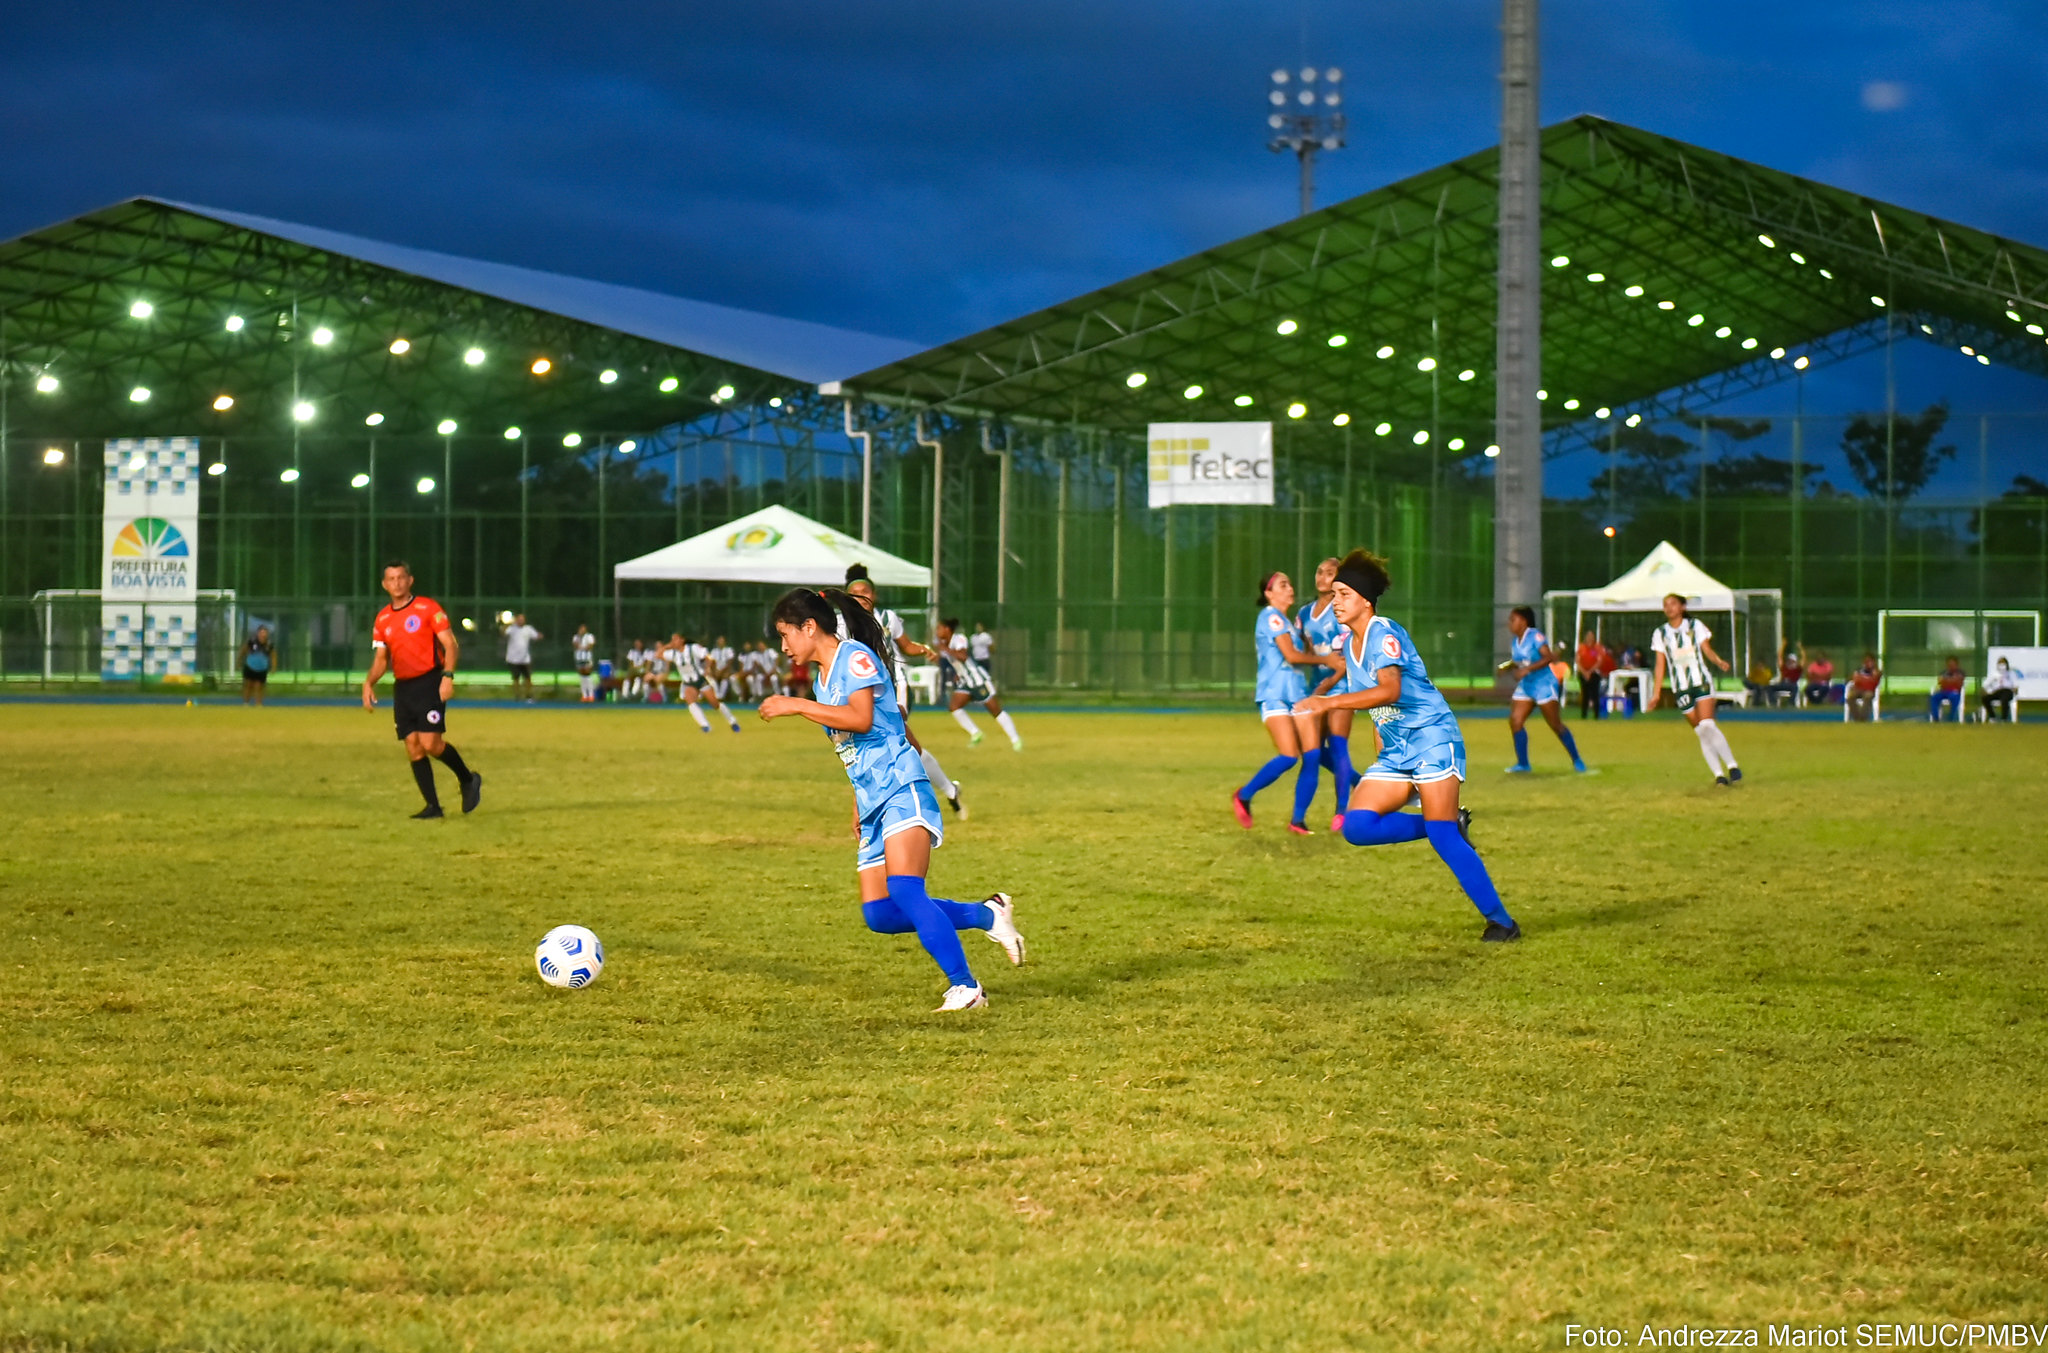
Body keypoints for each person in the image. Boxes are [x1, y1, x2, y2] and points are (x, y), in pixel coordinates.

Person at [758, 587, 1024, 1012]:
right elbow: (855, 744)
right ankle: (987, 915)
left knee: (905, 888)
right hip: (872, 801)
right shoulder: (823, 679)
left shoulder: (854, 658)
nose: (784, 645)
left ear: (810, 627)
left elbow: (862, 719)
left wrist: (796, 705)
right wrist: (855, 800)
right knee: (880, 915)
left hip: (902, 786)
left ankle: (967, 987)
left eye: (786, 633)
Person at [1294, 550, 1521, 942]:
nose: (1336, 602)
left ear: (1365, 599)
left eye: (1344, 593)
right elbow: (1374, 703)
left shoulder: (1384, 631)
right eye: (1334, 594)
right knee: (1357, 826)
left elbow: (1390, 689)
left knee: (1444, 839)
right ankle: (1448, 824)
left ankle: (1502, 923)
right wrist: (1381, 738)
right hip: (1398, 750)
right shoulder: (1350, 645)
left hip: (1432, 738)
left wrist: (1326, 703)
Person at [360, 560, 481, 819]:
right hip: (403, 687)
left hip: (429, 681)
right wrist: (369, 682)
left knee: (430, 743)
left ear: (410, 580)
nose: (396, 583)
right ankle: (433, 807)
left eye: (401, 578)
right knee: (413, 746)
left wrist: (447, 676)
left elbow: (450, 644)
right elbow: (382, 659)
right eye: (391, 579)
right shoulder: (382, 619)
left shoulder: (428, 608)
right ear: (384, 585)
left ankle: (467, 779)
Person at [845, 564, 968, 817]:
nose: (861, 597)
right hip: (866, 694)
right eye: (855, 593)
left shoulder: (888, 618)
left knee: (897, 739)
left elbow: (906, 646)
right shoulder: (840, 624)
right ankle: (949, 790)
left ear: (874, 595)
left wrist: (922, 649)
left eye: (865, 591)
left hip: (896, 687)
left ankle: (893, 803)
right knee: (903, 746)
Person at [1230, 570, 1330, 835]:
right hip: (1274, 695)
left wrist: (1310, 642)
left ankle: (1297, 821)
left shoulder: (1288, 624)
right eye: (1282, 585)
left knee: (1312, 756)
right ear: (1269, 593)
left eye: (1290, 584)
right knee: (1288, 756)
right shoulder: (1270, 617)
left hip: (1298, 695)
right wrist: (1325, 660)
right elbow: (1291, 657)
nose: (1290, 588)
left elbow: (1302, 651)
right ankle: (1244, 795)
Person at [1650, 593, 1740, 786]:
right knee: (1700, 731)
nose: (1669, 608)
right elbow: (1660, 665)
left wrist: (1718, 661)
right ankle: (1719, 775)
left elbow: (1706, 649)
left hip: (1701, 682)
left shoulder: (1695, 626)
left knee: (1707, 725)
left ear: (1682, 607)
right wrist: (1656, 693)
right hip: (1680, 688)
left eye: (1673, 604)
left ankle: (1732, 765)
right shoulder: (1660, 633)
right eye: (1666, 605)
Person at [1296, 557, 1357, 833]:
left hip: (1341, 687)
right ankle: (1360, 781)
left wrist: (1327, 685)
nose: (1322, 576)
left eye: (1330, 573)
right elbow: (1305, 651)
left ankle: (1342, 812)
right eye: (1319, 571)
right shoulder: (1304, 613)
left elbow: (1345, 659)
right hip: (1316, 688)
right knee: (1311, 749)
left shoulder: (1342, 609)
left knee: (1338, 745)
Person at [1504, 607, 1588, 774]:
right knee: (1515, 721)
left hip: (1543, 684)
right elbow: (1521, 661)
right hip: (1527, 685)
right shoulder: (1515, 641)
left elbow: (1548, 657)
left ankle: (1577, 759)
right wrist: (1508, 667)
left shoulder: (1535, 636)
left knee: (1555, 724)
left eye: (1513, 619)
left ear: (1523, 621)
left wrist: (1526, 670)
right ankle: (1523, 764)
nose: (1510, 623)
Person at [935, 617, 1022, 749]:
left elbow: (963, 656)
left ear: (947, 629)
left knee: (995, 710)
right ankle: (976, 733)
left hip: (977, 679)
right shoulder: (943, 642)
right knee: (954, 706)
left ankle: (1016, 740)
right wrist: (957, 673)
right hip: (965, 680)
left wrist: (945, 649)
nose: (937, 631)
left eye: (939, 628)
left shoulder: (959, 638)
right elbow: (952, 660)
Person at [504, 613, 542, 704]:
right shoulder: (512, 629)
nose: (521, 621)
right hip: (513, 659)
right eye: (519, 619)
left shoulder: (528, 629)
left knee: (528, 678)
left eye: (522, 619)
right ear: (516, 620)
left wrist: (539, 636)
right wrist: (507, 624)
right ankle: (517, 696)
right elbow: (504, 633)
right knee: (516, 678)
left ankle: (529, 695)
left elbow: (537, 636)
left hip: (525, 659)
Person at [1575, 630, 1607, 720]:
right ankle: (1584, 715)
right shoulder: (1581, 647)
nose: (1590, 638)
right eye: (1588, 636)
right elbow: (1578, 661)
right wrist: (1584, 672)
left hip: (1594, 673)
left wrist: (1590, 671)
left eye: (1591, 636)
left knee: (1595, 695)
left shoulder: (1597, 648)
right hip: (1583, 673)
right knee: (1585, 694)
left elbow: (1599, 661)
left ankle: (1596, 715)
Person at [239, 625, 274, 706]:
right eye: (261, 632)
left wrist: (273, 667)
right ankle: (246, 703)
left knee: (259, 686)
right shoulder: (252, 642)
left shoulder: (269, 644)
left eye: (265, 633)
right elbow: (243, 650)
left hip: (262, 669)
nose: (263, 635)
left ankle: (258, 703)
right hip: (250, 666)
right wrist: (239, 661)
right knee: (248, 685)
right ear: (258, 633)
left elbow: (273, 655)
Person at [1929, 655, 1965, 722]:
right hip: (1943, 691)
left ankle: (1952, 719)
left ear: (1956, 664)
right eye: (1949, 664)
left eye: (1952, 664)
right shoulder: (1944, 672)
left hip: (1955, 692)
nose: (1950, 666)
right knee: (1934, 697)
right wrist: (1950, 681)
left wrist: (1947, 681)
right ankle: (1936, 719)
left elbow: (1958, 682)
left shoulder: (1960, 672)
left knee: (1955, 698)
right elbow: (1940, 682)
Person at [1847, 652, 1882, 722]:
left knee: (1868, 696)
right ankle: (1857, 718)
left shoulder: (1876, 671)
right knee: (1850, 696)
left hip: (1869, 690)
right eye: (1866, 661)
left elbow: (1873, 682)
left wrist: (1861, 679)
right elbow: (1853, 679)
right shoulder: (1859, 670)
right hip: (1858, 689)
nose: (1867, 663)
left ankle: (1863, 719)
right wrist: (1861, 679)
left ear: (1873, 662)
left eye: (1869, 661)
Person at [1983, 656, 2018, 722]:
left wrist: (2014, 689)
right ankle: (1992, 717)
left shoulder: (2011, 673)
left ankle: (2004, 718)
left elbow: (2015, 686)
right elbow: (1985, 684)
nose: (2001, 665)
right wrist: (1985, 690)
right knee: (1985, 698)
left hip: (2007, 691)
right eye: (2000, 663)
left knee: (2004, 698)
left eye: (2003, 663)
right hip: (1996, 692)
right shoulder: (1994, 674)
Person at [572, 625, 597, 702]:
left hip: (587, 658)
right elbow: (575, 645)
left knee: (588, 675)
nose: (581, 630)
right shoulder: (576, 637)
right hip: (579, 658)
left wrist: (582, 647)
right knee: (582, 676)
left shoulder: (589, 636)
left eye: (583, 629)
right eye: (580, 629)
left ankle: (591, 695)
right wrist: (582, 646)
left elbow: (590, 646)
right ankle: (584, 695)